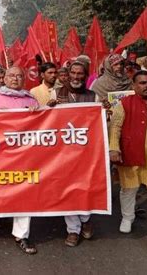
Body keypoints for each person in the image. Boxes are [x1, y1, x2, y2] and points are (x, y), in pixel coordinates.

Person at [109, 71, 147, 257]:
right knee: (129, 189)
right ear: (134, 86)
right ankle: (128, 218)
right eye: (142, 83)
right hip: (131, 155)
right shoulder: (124, 104)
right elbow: (116, 126)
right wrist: (114, 148)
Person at [0, 66, 38, 254]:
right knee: (0, 188)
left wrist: (36, 113)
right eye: (11, 76)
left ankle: (22, 234)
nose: (15, 79)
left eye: (19, 76)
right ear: (4, 79)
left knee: (23, 191)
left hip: (24, 154)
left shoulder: (30, 99)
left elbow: (44, 125)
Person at [47, 61, 96, 246]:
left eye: (80, 74)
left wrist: (105, 112)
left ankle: (85, 219)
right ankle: (73, 230)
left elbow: (99, 123)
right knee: (66, 190)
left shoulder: (93, 95)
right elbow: (46, 123)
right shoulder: (56, 94)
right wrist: (48, 108)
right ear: (68, 74)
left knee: (83, 189)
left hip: (86, 152)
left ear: (85, 76)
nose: (76, 77)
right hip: (62, 152)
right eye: (73, 73)